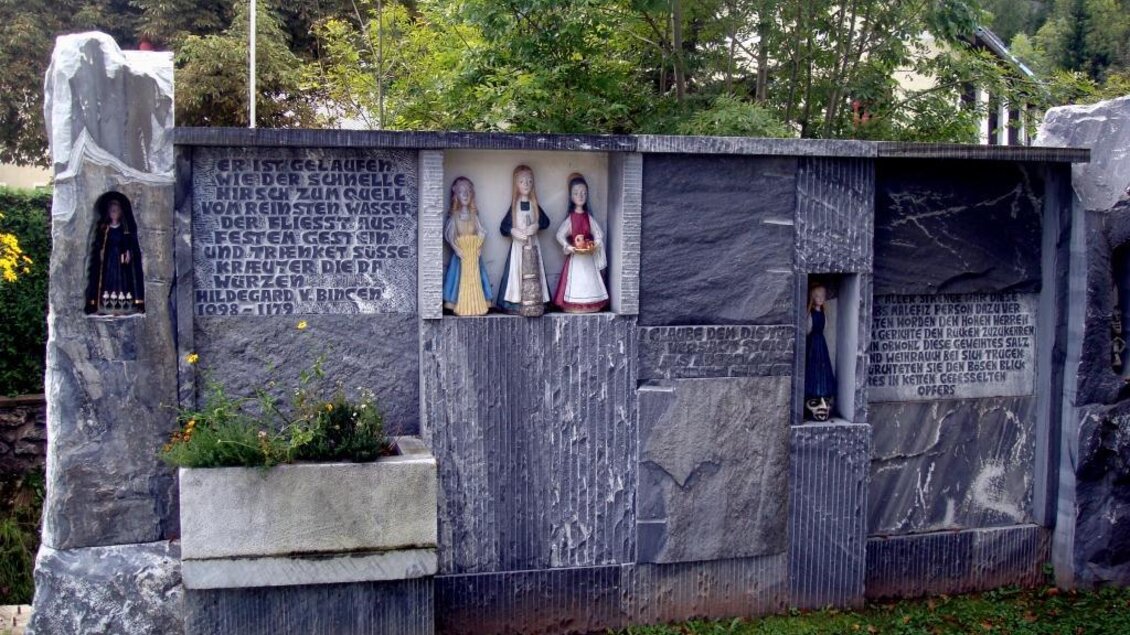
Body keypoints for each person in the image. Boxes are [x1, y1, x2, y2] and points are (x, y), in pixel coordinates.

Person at [496, 165, 550, 316]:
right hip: (518, 247)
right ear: (516, 184)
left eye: (529, 181)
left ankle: (538, 300)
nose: (526, 184)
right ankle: (515, 301)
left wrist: (536, 226)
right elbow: (503, 227)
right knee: (516, 272)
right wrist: (513, 231)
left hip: (533, 245)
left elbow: (546, 222)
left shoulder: (534, 205)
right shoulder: (514, 207)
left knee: (535, 272)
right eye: (522, 181)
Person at [553, 174, 608, 313]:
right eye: (576, 193)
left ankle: (591, 302)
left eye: (584, 193)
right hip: (576, 257)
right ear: (571, 196)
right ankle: (574, 303)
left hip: (588, 257)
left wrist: (595, 244)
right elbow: (559, 234)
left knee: (589, 280)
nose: (580, 196)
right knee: (576, 281)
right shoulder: (571, 219)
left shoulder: (588, 217)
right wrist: (568, 246)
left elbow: (598, 233)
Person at [85, 195, 144, 315]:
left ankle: (124, 302)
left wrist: (127, 252)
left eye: (116, 211)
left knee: (123, 279)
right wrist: (100, 252)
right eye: (112, 211)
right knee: (108, 279)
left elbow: (127, 242)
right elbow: (99, 243)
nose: (114, 213)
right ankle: (105, 302)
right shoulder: (104, 228)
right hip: (108, 260)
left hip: (120, 260)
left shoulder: (124, 228)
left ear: (120, 212)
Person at [442, 177, 493, 316]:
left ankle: (478, 302)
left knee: (478, 277)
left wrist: (479, 246)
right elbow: (450, 235)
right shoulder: (454, 217)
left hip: (473, 254)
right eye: (461, 192)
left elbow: (481, 231)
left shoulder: (474, 216)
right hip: (461, 255)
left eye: (468, 192)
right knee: (457, 279)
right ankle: (456, 303)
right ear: (456, 195)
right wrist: (456, 248)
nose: (465, 195)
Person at [804, 284, 835, 420]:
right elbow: (807, 329)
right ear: (813, 298)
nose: (820, 299)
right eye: (817, 296)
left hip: (821, 343)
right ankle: (813, 395)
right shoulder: (811, 314)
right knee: (813, 367)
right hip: (813, 344)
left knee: (823, 369)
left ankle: (823, 393)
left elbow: (825, 326)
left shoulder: (823, 313)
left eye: (822, 296)